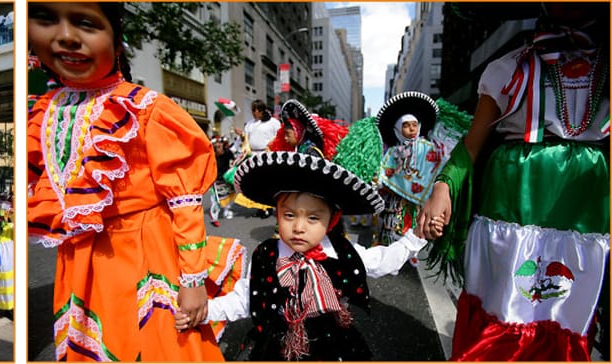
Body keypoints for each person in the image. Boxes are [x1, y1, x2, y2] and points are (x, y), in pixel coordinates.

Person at [27, 3, 233, 360]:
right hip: (79, 263)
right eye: (45, 19)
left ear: (117, 44)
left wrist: (193, 281)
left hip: (146, 255)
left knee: (163, 345)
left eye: (85, 23)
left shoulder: (145, 108)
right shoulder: (42, 111)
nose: (65, 37)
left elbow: (184, 201)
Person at [418, 4, 609, 360]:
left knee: (570, 318)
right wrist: (443, 186)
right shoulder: (508, 69)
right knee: (503, 315)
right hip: (511, 209)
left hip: (586, 212)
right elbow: (473, 143)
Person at [176, 149, 427, 360]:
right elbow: (245, 299)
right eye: (289, 215)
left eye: (313, 218)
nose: (299, 227)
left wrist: (416, 237)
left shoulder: (341, 251)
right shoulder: (266, 256)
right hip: (279, 349)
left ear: (332, 220)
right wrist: (203, 312)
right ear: (277, 213)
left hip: (334, 348)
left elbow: (381, 261)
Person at [375, 92, 446, 245]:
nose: (412, 129)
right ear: (398, 129)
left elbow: (435, 169)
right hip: (396, 200)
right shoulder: (394, 152)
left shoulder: (429, 148)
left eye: (414, 125)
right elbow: (384, 174)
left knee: (418, 229)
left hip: (420, 202)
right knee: (393, 227)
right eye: (406, 126)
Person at [208, 136, 236, 227]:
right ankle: (214, 218)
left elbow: (233, 161)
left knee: (228, 196)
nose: (218, 145)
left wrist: (232, 170)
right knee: (215, 199)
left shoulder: (228, 153)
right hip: (215, 179)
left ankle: (226, 211)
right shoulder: (210, 154)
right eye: (216, 144)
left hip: (226, 178)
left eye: (220, 143)